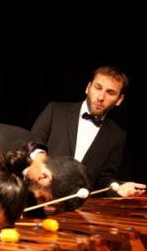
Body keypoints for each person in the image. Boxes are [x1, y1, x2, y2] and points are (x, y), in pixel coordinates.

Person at [31, 66, 145, 196]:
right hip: (37, 195)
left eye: (110, 92)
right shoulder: (55, 111)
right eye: (98, 88)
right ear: (88, 88)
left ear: (119, 100)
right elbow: (30, 148)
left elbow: (104, 179)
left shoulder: (117, 135)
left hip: (78, 206)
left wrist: (118, 188)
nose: (101, 97)